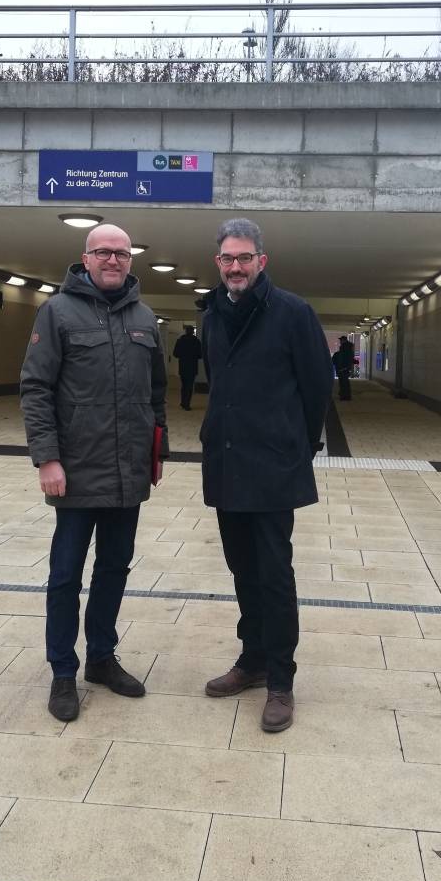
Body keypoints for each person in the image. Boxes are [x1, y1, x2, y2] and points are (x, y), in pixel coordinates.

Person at [20, 223, 168, 722]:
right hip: (76, 472)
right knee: (66, 575)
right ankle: (63, 671)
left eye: (122, 253)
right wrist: (47, 458)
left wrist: (157, 451)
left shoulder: (144, 317)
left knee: (113, 569)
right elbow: (36, 388)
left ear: (130, 261)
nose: (113, 260)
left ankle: (102, 658)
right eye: (103, 251)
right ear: (85, 258)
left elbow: (156, 394)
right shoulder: (57, 312)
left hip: (128, 472)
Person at [197, 218, 333, 733]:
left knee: (274, 575)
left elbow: (316, 388)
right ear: (218, 262)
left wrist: (299, 446)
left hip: (273, 467)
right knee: (241, 569)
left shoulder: (293, 313)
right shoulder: (212, 314)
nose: (236, 267)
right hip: (227, 464)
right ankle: (252, 659)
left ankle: (280, 679)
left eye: (244, 258)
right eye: (228, 258)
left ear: (262, 261)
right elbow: (219, 383)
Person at [172, 324, 202, 410]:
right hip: (192, 366)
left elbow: (175, 354)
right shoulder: (196, 341)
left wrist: (183, 355)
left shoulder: (180, 340)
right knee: (189, 386)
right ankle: (187, 404)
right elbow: (200, 355)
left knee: (184, 385)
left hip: (183, 366)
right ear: (193, 332)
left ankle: (183, 402)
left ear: (185, 331)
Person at [331, 335, 355, 401]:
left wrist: (340, 366)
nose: (340, 341)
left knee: (343, 382)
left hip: (343, 367)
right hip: (346, 367)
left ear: (343, 340)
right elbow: (350, 357)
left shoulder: (344, 347)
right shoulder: (349, 347)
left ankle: (344, 396)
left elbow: (343, 357)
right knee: (345, 382)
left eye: (341, 340)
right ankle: (346, 395)